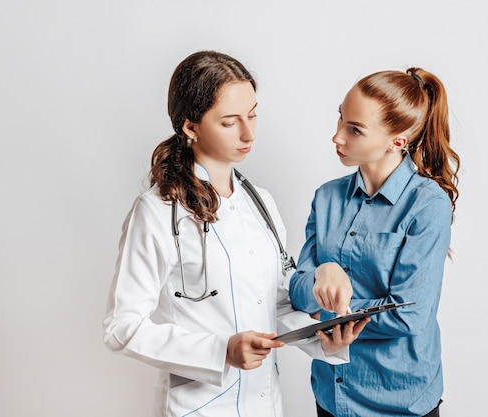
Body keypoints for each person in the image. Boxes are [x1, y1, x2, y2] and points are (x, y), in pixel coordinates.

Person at [103, 50, 366, 417]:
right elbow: (122, 327)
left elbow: (271, 302)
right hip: (198, 407)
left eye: (253, 114)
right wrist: (220, 350)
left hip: (264, 404)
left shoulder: (261, 203)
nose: (249, 133)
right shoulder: (157, 211)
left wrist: (324, 337)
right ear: (190, 126)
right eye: (230, 122)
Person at [288, 67, 460, 417]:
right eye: (340, 118)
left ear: (398, 140)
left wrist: (332, 315)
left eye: (355, 129)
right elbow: (297, 289)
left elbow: (409, 313)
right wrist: (324, 271)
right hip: (332, 396)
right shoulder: (326, 198)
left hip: (400, 402)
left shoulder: (428, 205)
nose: (337, 137)